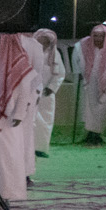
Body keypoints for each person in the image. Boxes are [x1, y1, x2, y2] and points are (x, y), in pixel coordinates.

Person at [0, 32, 39, 201]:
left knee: (8, 153)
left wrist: (20, 113)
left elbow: (25, 88)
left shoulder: (19, 59)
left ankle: (9, 192)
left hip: (10, 114)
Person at [75, 22, 106, 143]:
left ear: (105, 37)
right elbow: (77, 60)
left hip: (104, 84)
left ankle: (97, 134)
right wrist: (79, 72)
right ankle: (88, 134)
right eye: (96, 36)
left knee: (101, 109)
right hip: (89, 83)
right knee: (88, 109)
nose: (98, 38)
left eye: (101, 36)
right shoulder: (85, 47)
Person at [32, 28, 65, 157]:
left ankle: (41, 148)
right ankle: (30, 149)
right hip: (31, 93)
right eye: (40, 41)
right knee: (32, 122)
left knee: (46, 121)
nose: (43, 45)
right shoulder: (30, 53)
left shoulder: (55, 55)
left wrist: (51, 87)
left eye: (46, 42)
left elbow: (60, 73)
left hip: (46, 95)